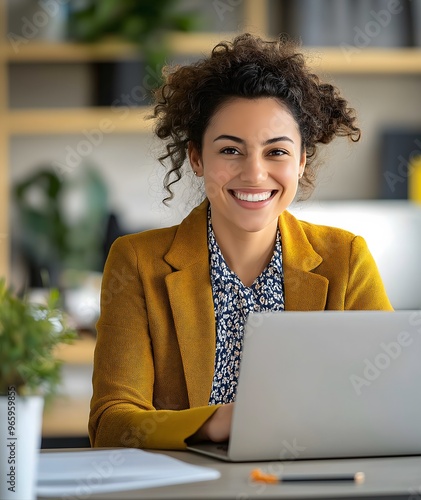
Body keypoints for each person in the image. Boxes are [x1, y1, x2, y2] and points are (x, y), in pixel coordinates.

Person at [89, 33, 393, 451]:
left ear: (302, 159)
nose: (254, 174)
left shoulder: (346, 259)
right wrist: (221, 421)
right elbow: (111, 423)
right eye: (231, 150)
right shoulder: (137, 262)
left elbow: (389, 403)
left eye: (276, 152)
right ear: (197, 157)